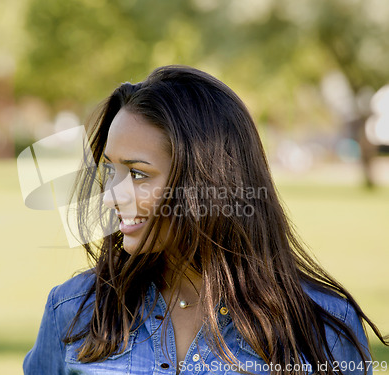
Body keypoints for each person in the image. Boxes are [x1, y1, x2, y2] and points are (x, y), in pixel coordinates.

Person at [23, 65, 388, 375]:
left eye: (137, 174)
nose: (110, 195)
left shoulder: (320, 324)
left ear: (209, 184)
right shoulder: (73, 310)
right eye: (110, 170)